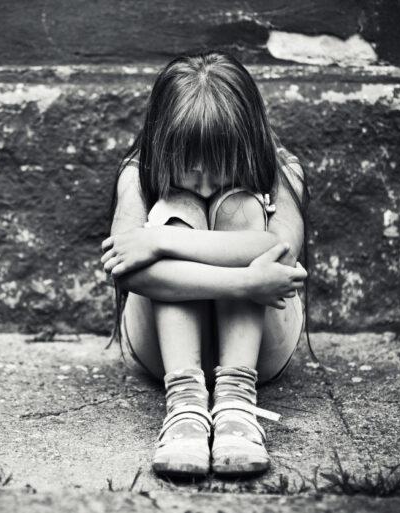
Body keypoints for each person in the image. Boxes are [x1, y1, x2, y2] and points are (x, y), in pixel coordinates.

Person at [100, 52, 309, 478]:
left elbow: (278, 251)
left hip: (262, 347)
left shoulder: (282, 170)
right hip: (163, 351)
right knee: (175, 204)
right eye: (193, 171)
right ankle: (185, 409)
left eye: (221, 171)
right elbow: (127, 270)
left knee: (240, 205)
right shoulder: (137, 173)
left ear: (248, 145)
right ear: (162, 147)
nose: (207, 185)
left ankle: (235, 405)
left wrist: (160, 238)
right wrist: (245, 282)